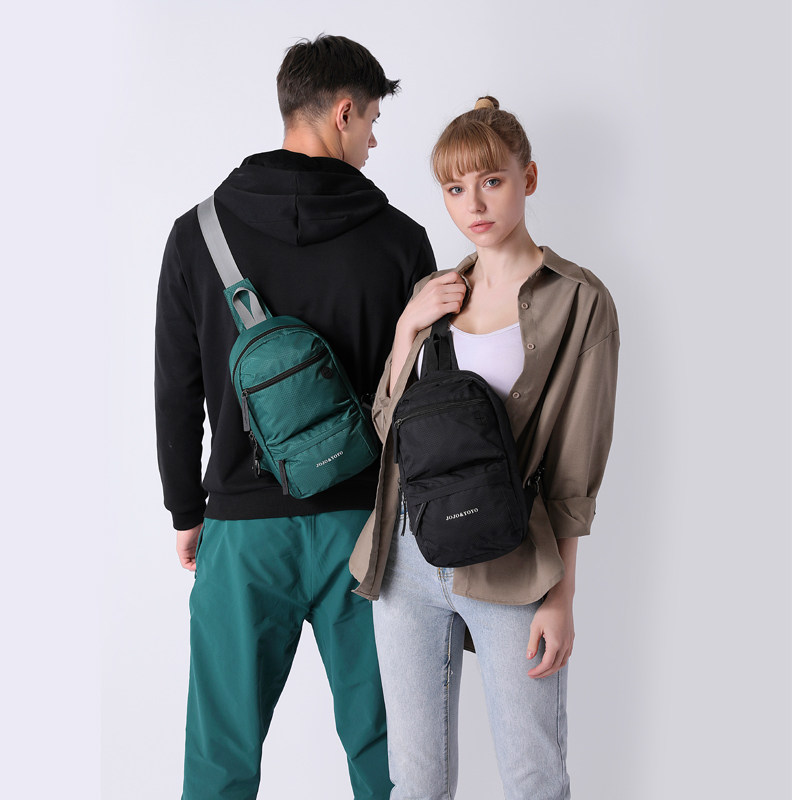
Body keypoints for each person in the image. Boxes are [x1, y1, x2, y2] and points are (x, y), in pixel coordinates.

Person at [155, 35, 436, 800]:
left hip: (242, 532)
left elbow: (175, 389)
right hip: (368, 536)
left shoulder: (197, 234)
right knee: (390, 763)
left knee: (219, 763)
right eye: (372, 120)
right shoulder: (400, 240)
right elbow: (426, 399)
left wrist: (187, 510)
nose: (373, 140)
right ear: (342, 112)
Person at [349, 97, 619, 799]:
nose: (473, 204)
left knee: (533, 778)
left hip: (513, 565)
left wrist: (561, 596)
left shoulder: (578, 300)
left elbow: (575, 467)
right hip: (406, 561)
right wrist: (406, 330)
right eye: (454, 187)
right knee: (415, 783)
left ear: (529, 178)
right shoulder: (435, 293)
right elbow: (389, 433)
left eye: (491, 181)